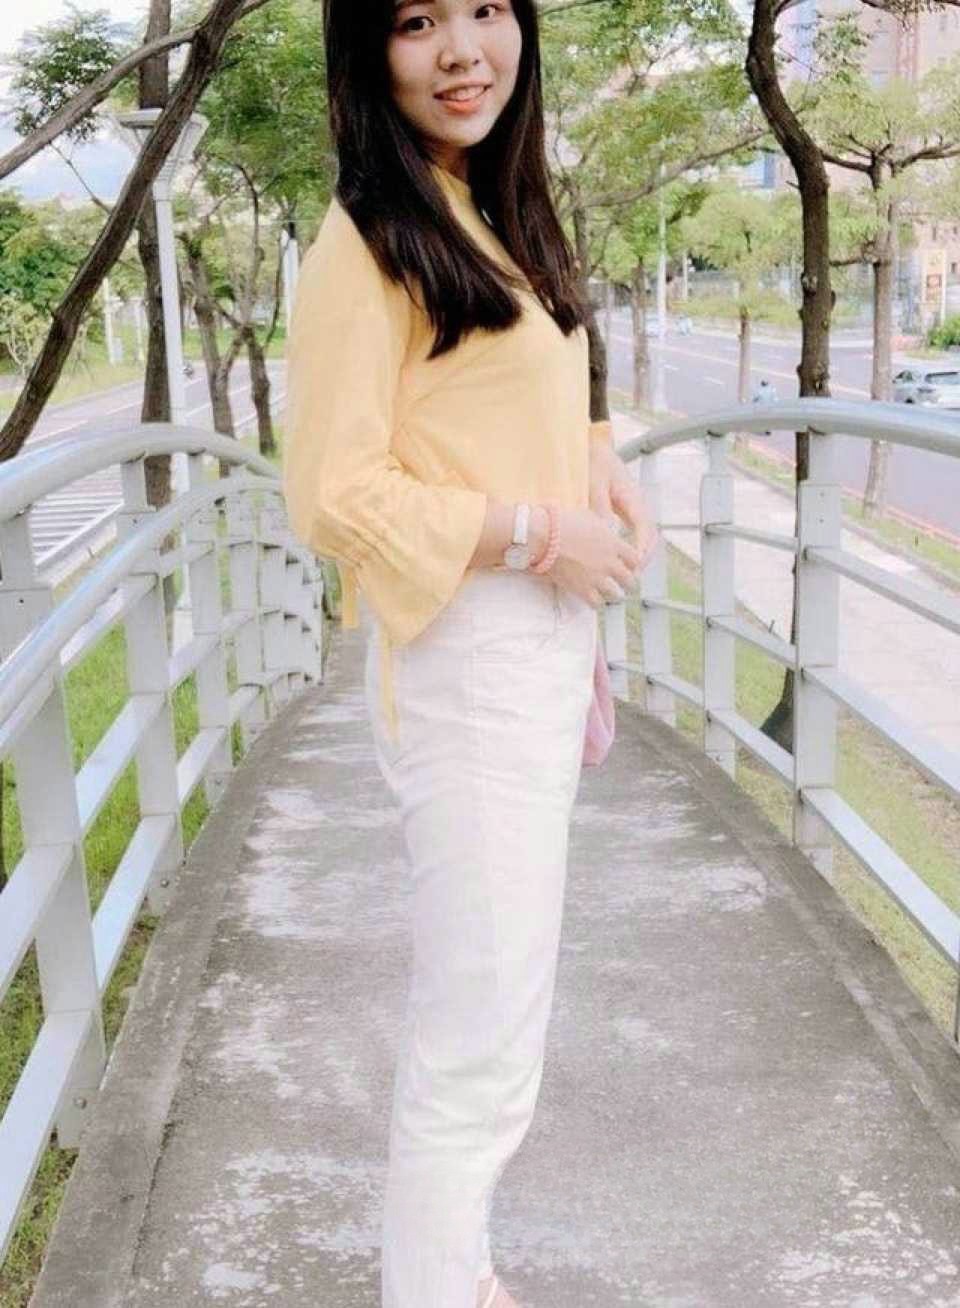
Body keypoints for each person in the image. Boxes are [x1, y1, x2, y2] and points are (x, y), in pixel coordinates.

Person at [283, 2, 659, 1304]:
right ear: (367, 52)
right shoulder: (366, 238)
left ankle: (459, 1271)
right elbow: (332, 493)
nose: (462, 50)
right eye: (416, 20)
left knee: (505, 1008)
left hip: (531, 648)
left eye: (487, 9)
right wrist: (539, 534)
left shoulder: (491, 204)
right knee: (478, 1031)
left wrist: (598, 468)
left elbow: (527, 382)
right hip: (470, 658)